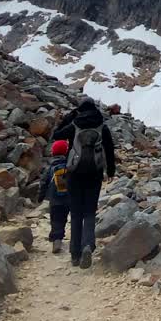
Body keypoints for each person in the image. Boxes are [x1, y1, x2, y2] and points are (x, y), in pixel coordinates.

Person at [56, 98, 116, 268]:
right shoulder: (101, 126)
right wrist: (110, 172)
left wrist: (68, 118)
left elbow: (56, 135)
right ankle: (88, 245)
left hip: (74, 173)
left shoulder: (74, 124)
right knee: (89, 211)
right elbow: (110, 151)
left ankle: (75, 255)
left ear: (80, 110)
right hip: (94, 174)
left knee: (75, 213)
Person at [37, 139, 72, 254]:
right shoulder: (69, 165)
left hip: (55, 199)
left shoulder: (50, 167)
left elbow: (43, 183)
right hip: (69, 198)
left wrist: (40, 197)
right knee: (66, 218)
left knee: (56, 220)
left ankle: (57, 240)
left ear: (53, 153)